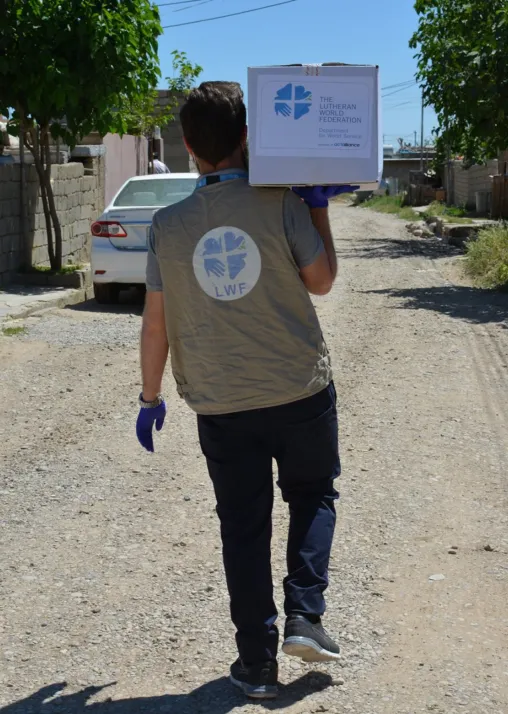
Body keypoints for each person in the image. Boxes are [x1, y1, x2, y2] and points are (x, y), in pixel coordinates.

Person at [136, 81, 357, 700]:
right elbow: (322, 282)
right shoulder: (280, 203)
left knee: (243, 526)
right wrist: (316, 206)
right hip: (299, 389)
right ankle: (306, 617)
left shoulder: (168, 226)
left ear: (187, 146)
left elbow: (156, 322)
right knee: (313, 496)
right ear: (245, 140)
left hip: (221, 402)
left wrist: (149, 397)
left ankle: (257, 665)